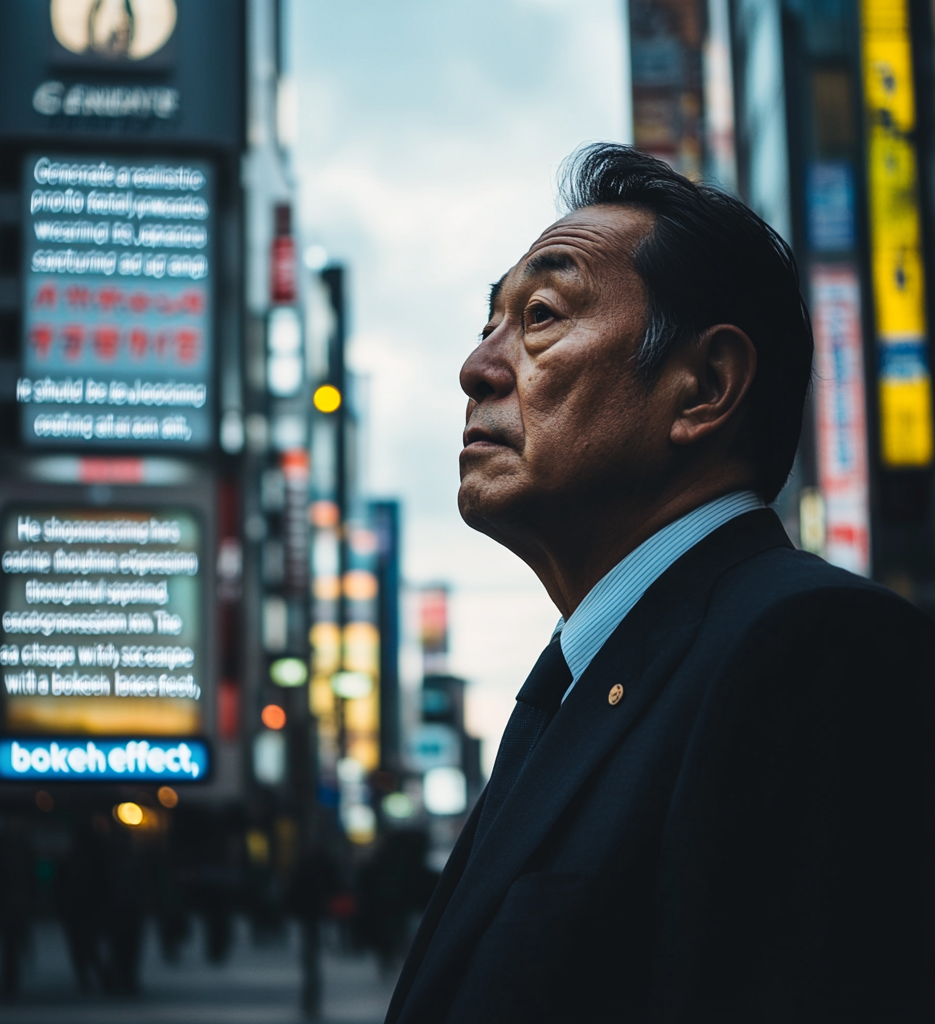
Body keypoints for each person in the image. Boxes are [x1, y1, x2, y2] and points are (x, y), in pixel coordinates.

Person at [385, 144, 935, 1023]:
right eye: (488, 322)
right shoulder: (583, 678)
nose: (479, 368)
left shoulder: (816, 651)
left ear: (706, 387)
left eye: (540, 315)